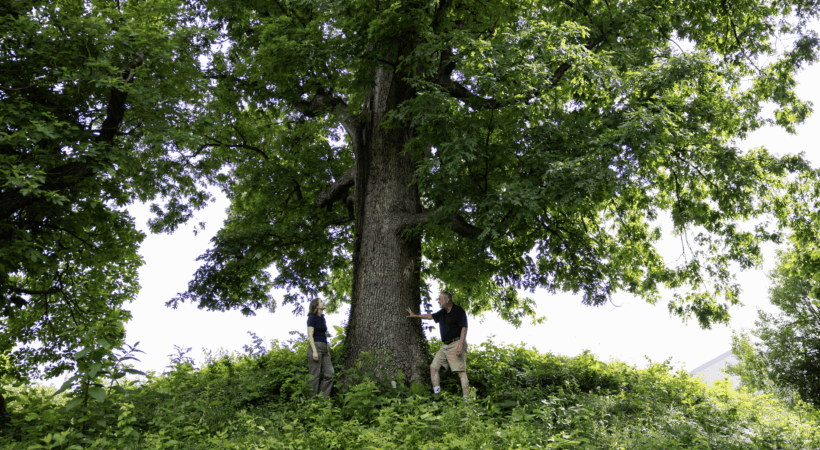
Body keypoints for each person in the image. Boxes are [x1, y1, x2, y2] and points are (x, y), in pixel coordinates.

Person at [407, 291, 469, 398]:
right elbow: (431, 316)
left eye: (440, 299)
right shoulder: (443, 312)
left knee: (461, 373)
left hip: (456, 343)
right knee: (433, 367)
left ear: (447, 300)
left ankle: (467, 401)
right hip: (445, 346)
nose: (439, 301)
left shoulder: (458, 310)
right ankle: (437, 395)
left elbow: (464, 328)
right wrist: (416, 315)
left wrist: (460, 345)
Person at [306, 298, 334, 397]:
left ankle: (322, 400)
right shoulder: (312, 317)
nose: (324, 303)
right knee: (314, 376)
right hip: (315, 347)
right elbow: (310, 335)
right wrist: (314, 351)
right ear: (317, 305)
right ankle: (310, 402)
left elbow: (323, 336)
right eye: (321, 302)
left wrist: (328, 351)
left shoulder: (322, 318)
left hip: (324, 348)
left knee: (330, 374)